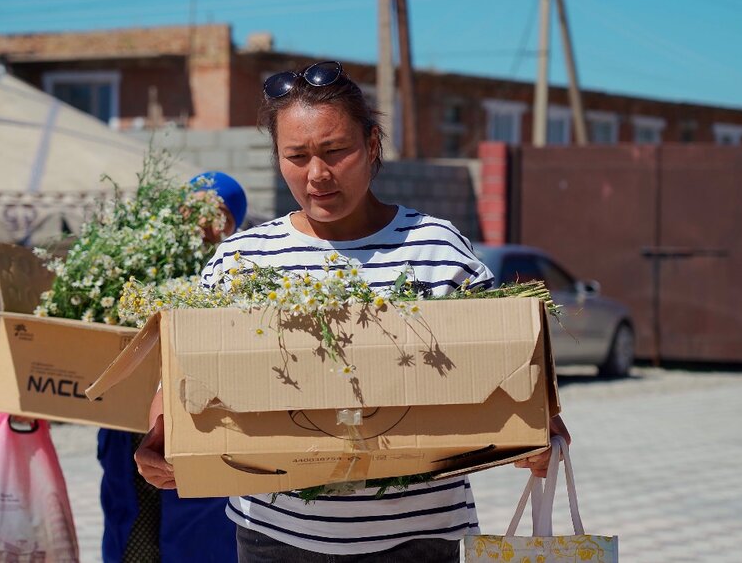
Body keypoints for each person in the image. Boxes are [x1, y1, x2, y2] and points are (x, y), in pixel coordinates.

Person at [135, 61, 569, 562]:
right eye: (297, 156)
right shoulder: (242, 259)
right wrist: (160, 437)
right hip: (276, 539)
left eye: (336, 151)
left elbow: (508, 369)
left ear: (372, 144)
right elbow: (180, 378)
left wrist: (538, 432)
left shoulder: (436, 248)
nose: (317, 174)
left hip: (416, 541)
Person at [98, 172, 247, 563]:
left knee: (198, 531)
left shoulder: (233, 276)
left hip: (194, 418)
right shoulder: (141, 262)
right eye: (193, 208)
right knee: (131, 525)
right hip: (127, 429)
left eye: (218, 213)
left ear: (232, 224)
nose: (202, 221)